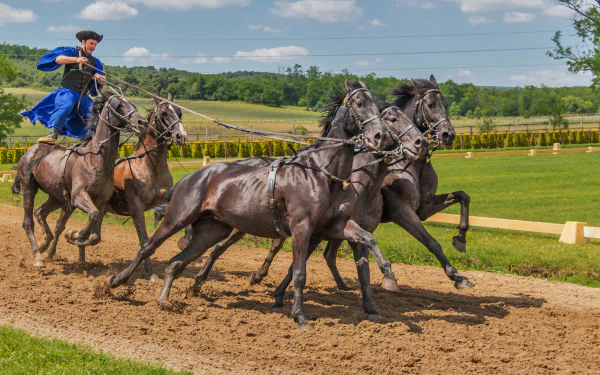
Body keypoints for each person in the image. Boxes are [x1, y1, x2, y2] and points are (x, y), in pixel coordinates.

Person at [21, 30, 106, 143]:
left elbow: (103, 79)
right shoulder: (71, 51)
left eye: (95, 44)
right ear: (83, 42)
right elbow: (58, 59)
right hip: (68, 92)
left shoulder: (95, 62)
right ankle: (53, 134)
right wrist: (76, 60)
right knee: (66, 105)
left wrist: (101, 79)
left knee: (97, 114)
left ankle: (93, 140)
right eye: (91, 43)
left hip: (83, 97)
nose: (94, 46)